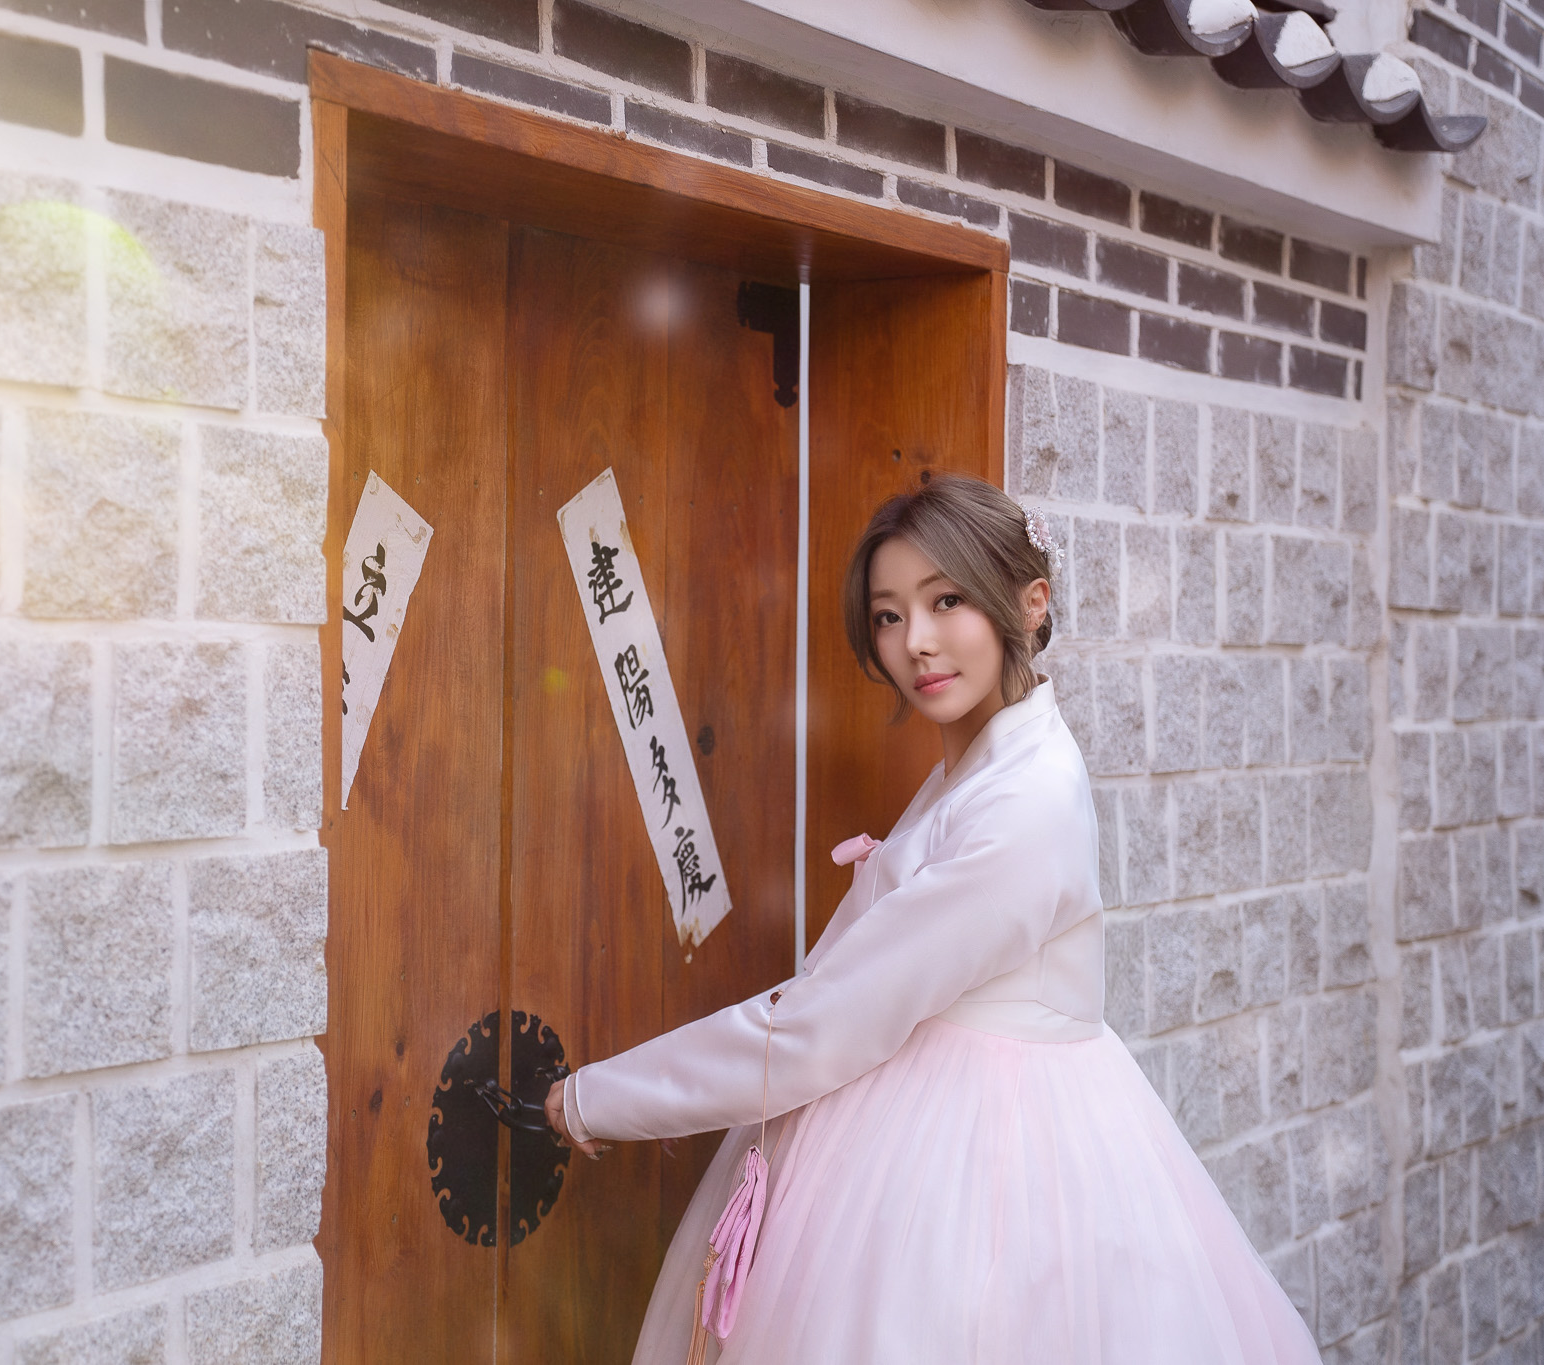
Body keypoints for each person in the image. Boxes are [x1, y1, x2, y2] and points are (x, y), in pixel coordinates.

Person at [543, 475, 1321, 1364]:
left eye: (946, 600)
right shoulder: (987, 765)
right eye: (887, 615)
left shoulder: (1023, 801)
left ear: (1029, 604)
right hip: (931, 1141)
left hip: (976, 1186)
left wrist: (600, 1097)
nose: (915, 641)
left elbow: (820, 1026)